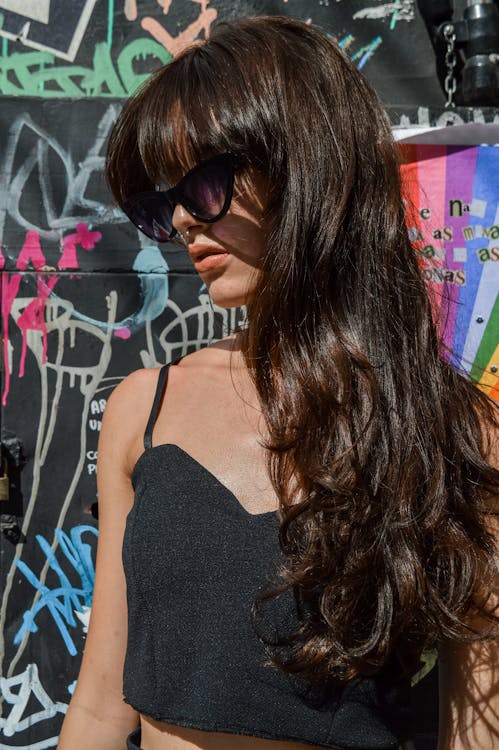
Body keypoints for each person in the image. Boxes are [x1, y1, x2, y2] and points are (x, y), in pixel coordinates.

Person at [57, 16, 499, 750]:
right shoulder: (142, 410)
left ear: (303, 164)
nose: (179, 221)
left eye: (203, 185)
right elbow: (102, 703)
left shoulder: (454, 431)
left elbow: (475, 728)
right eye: (154, 206)